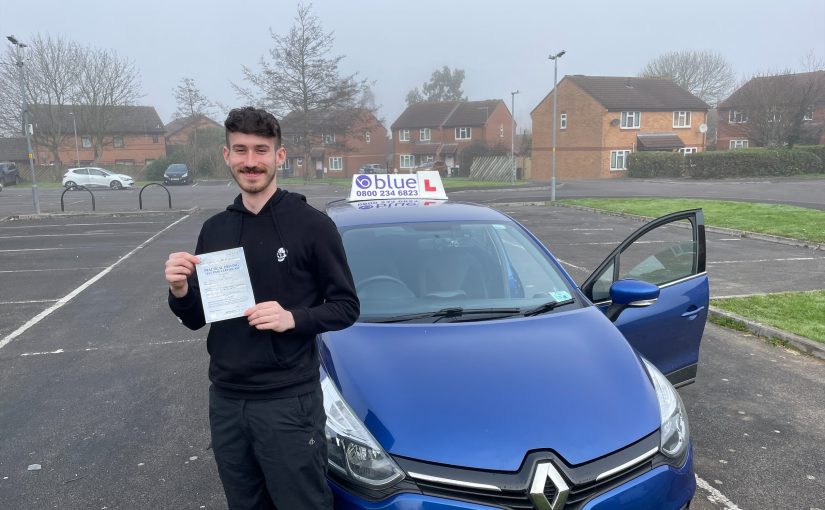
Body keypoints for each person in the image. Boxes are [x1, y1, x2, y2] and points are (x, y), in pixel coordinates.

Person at [164, 106, 359, 509]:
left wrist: (294, 318)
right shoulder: (215, 229)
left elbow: (346, 306)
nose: (250, 162)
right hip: (228, 401)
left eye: (261, 150)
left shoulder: (312, 226)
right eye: (240, 150)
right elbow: (197, 318)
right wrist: (181, 289)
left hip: (288, 403)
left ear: (279, 156)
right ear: (226, 155)